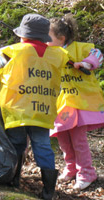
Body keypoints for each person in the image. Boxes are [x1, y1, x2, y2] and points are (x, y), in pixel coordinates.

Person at [0, 13, 68, 200]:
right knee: (42, 146)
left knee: (16, 144)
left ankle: (13, 179)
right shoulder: (57, 55)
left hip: (16, 110)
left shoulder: (14, 51)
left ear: (23, 36)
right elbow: (73, 62)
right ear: (44, 37)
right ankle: (48, 190)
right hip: (42, 111)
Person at [48, 15, 104, 191]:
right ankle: (71, 168)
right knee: (63, 139)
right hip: (62, 104)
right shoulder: (50, 54)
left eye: (47, 37)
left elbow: (98, 55)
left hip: (79, 104)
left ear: (61, 38)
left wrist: (87, 64)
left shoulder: (80, 48)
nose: (44, 41)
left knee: (78, 141)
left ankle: (87, 173)